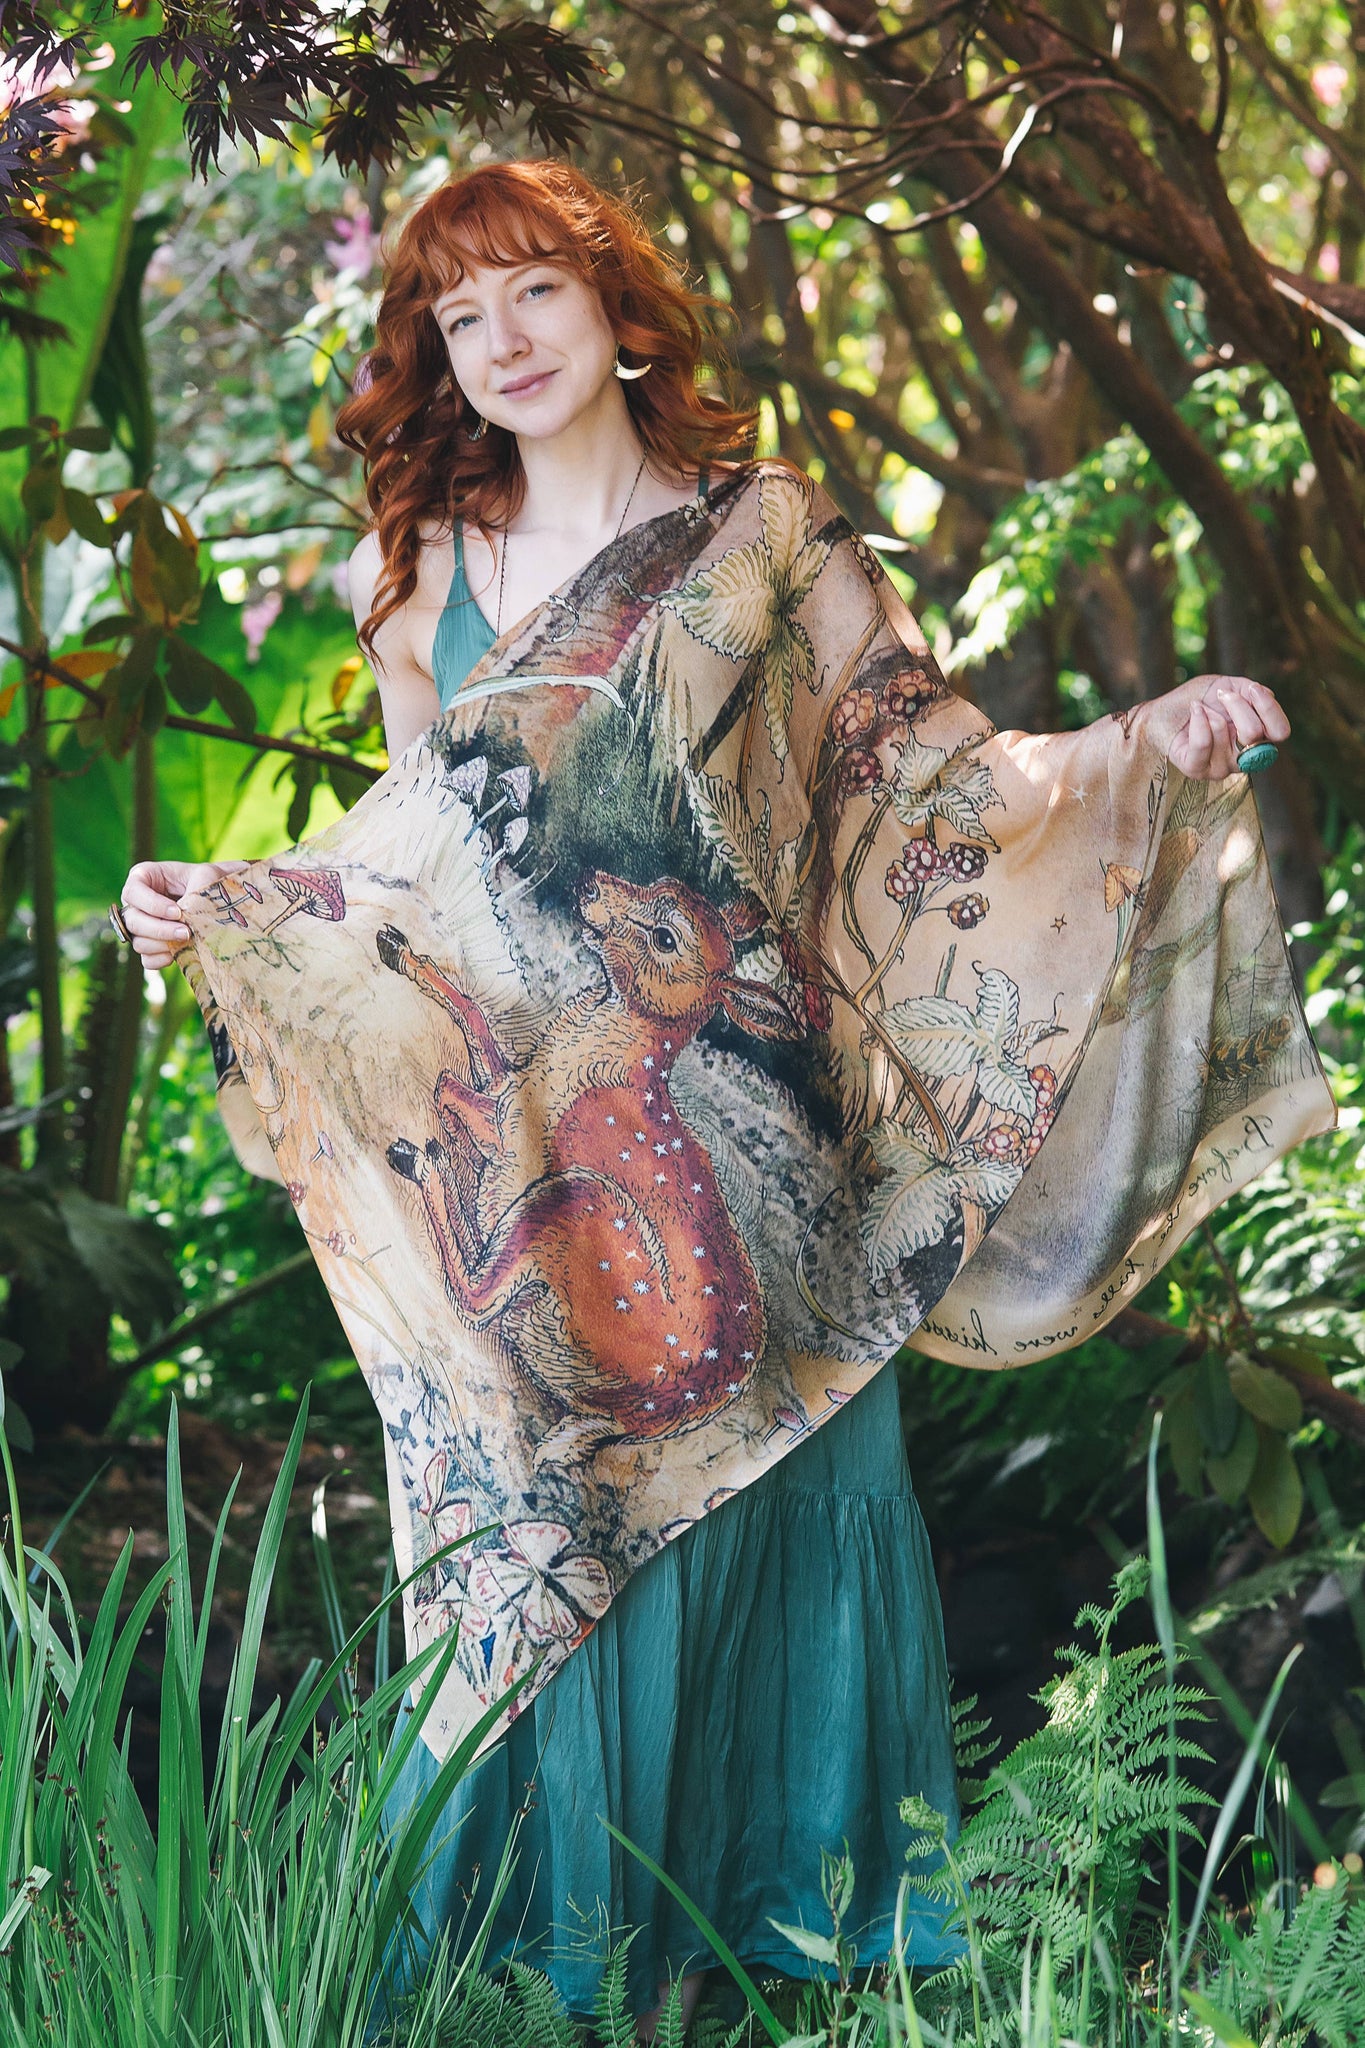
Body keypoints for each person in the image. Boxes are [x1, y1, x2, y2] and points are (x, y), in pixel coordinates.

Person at [114, 159, 1328, 2041]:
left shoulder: (765, 540)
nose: (501, 342)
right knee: (557, 1548)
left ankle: (807, 1967)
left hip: (763, 1154)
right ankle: (547, 1991)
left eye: (533, 291)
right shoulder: (411, 581)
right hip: (540, 1160)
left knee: (774, 1519)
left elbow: (935, 787)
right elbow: (407, 873)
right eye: (458, 316)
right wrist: (217, 907)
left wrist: (1136, 746)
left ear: (618, 308)